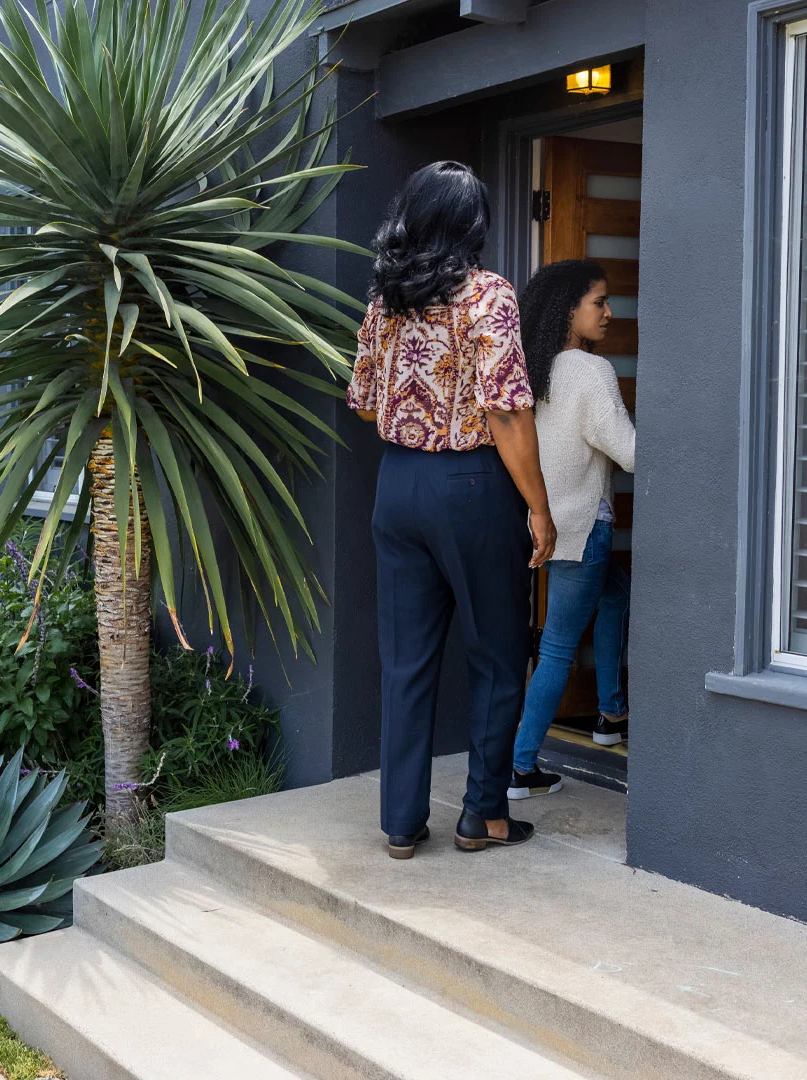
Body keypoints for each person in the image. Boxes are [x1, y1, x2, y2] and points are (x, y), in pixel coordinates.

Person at [347, 161, 556, 859]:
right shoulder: (488, 295)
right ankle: (484, 815)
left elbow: (366, 399)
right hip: (470, 485)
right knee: (497, 653)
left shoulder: (386, 298)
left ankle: (401, 824)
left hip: (397, 482)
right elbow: (507, 411)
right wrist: (539, 509)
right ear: (472, 223)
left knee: (405, 661)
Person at [506, 259, 634, 802]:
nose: (609, 313)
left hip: (541, 528)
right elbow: (628, 452)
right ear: (569, 310)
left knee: (615, 594)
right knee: (558, 648)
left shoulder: (531, 368)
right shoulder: (590, 371)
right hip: (583, 529)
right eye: (598, 303)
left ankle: (608, 712)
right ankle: (520, 767)